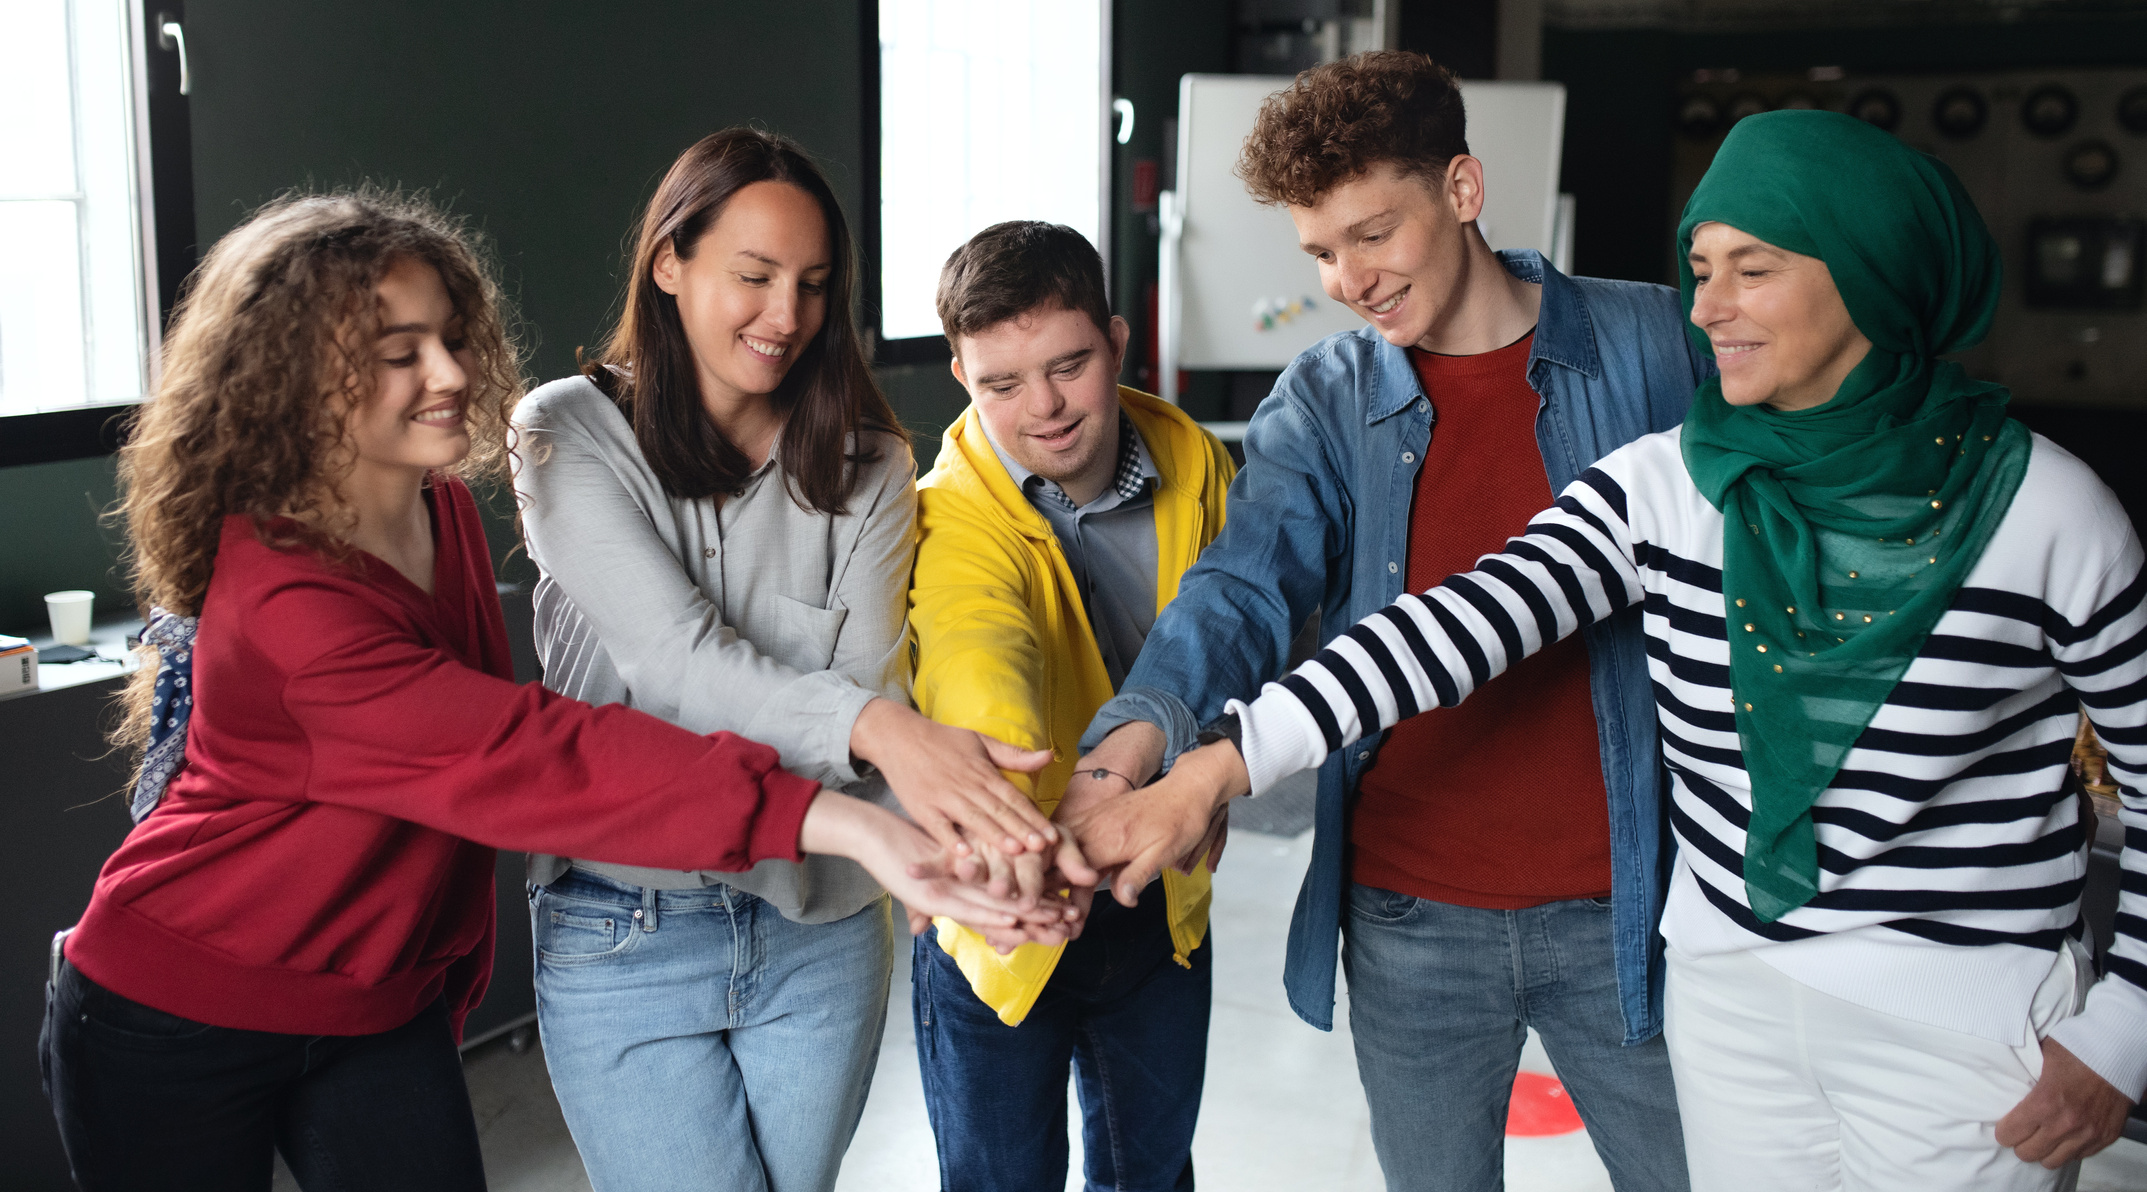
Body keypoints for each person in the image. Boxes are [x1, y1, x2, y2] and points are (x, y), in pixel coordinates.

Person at [1080, 109, 2147, 1191]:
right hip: (1721, 993)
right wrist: (1204, 760)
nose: (1710, 305)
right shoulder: (1670, 482)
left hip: (1939, 1023)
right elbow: (1446, 626)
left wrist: (2121, 1026)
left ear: (1865, 271)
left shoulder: (2048, 512)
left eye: (1750, 269)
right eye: (1700, 267)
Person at [39, 191, 1029, 1192]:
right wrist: (855, 824)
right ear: (290, 376)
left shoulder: (437, 512)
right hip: (180, 1012)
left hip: (372, 1007)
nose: (453, 372)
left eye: (452, 335)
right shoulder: (289, 605)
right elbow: (533, 754)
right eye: (399, 352)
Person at [1066, 51, 1707, 1189]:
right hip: (1412, 912)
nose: (1347, 278)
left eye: (1373, 234)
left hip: (1628, 899)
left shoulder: (1657, 346)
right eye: (1318, 250)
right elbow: (1242, 586)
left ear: (1460, 190)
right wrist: (1125, 754)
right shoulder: (1326, 395)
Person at [510, 130, 1078, 1192]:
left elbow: (866, 692)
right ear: (669, 263)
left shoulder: (868, 465)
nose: (786, 317)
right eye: (754, 276)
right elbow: (674, 657)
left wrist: (969, 851)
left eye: (813, 286)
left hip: (816, 926)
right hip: (623, 925)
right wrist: (880, 736)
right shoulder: (563, 434)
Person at [907, 221, 1235, 1191]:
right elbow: (977, 658)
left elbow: (1232, 638)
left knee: (1152, 1173)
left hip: (1154, 888)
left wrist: (1210, 770)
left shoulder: (1199, 464)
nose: (1041, 408)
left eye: (1068, 365)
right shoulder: (946, 513)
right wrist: (1012, 833)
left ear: (1118, 342)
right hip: (1006, 906)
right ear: (959, 373)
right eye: (999, 383)